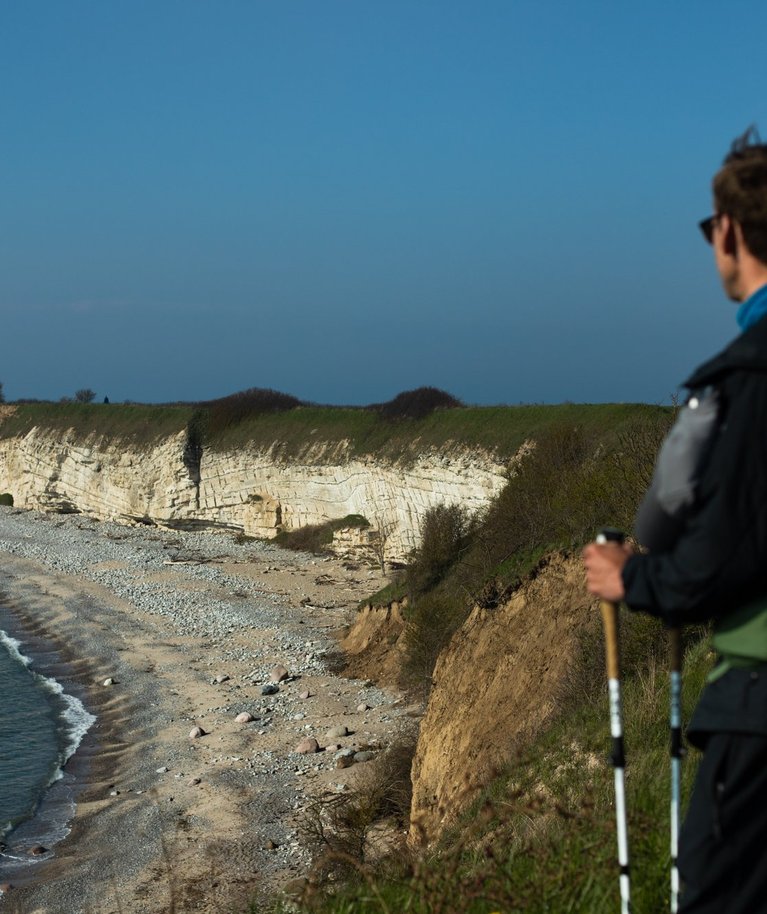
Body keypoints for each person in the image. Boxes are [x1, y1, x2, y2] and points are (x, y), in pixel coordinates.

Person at [583, 127, 767, 914]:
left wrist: (631, 577)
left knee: (721, 894)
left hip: (758, 705)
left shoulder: (745, 379)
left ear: (727, 231)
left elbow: (718, 559)